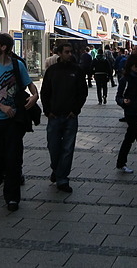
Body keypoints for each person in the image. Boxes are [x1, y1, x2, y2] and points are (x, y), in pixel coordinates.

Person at [0, 33, 39, 212]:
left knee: (13, 159)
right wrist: (0, 106)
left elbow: (30, 84)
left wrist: (35, 95)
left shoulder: (17, 65)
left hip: (14, 121)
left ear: (3, 47)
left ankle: (12, 198)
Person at [40, 43, 88, 193]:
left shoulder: (76, 70)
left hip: (70, 116)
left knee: (67, 149)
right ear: (59, 53)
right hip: (54, 115)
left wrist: (75, 110)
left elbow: (82, 92)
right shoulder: (52, 71)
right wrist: (48, 111)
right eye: (66, 52)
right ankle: (57, 169)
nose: (69, 54)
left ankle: (62, 178)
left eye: (70, 51)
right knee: (53, 146)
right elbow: (45, 91)